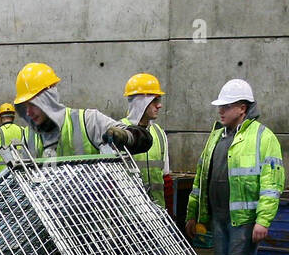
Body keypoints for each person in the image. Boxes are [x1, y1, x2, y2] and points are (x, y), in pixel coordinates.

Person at [185, 79, 284, 255]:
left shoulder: (263, 138)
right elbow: (201, 177)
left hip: (243, 221)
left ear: (242, 108)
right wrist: (194, 213)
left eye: (226, 106)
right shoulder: (217, 136)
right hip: (219, 218)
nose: (221, 111)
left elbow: (272, 183)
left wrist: (263, 220)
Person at [12, 63, 151, 158]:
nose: (28, 112)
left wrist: (125, 136)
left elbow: (144, 140)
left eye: (33, 104)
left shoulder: (88, 121)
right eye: (25, 106)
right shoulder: (29, 136)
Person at [121, 73, 170, 210]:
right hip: (128, 215)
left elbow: (165, 179)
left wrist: (169, 214)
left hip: (157, 214)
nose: (159, 105)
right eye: (154, 100)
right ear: (140, 102)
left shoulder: (159, 134)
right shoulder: (120, 133)